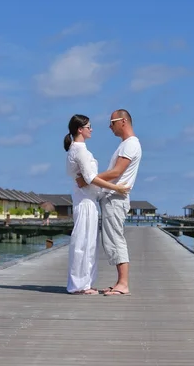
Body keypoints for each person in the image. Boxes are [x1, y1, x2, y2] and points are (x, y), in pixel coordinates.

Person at [77, 109, 142, 296]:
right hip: (112, 197)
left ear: (123, 121)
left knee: (115, 239)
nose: (109, 126)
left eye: (112, 122)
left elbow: (116, 172)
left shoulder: (130, 144)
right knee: (111, 239)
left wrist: (89, 178)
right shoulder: (125, 144)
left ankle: (123, 284)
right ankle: (120, 282)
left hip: (116, 198)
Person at [64, 114, 130, 295]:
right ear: (80, 129)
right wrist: (116, 188)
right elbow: (90, 178)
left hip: (86, 199)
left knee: (88, 243)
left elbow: (87, 179)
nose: (91, 130)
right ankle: (79, 285)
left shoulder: (77, 149)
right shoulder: (80, 150)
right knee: (83, 243)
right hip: (85, 201)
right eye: (88, 127)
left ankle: (85, 283)